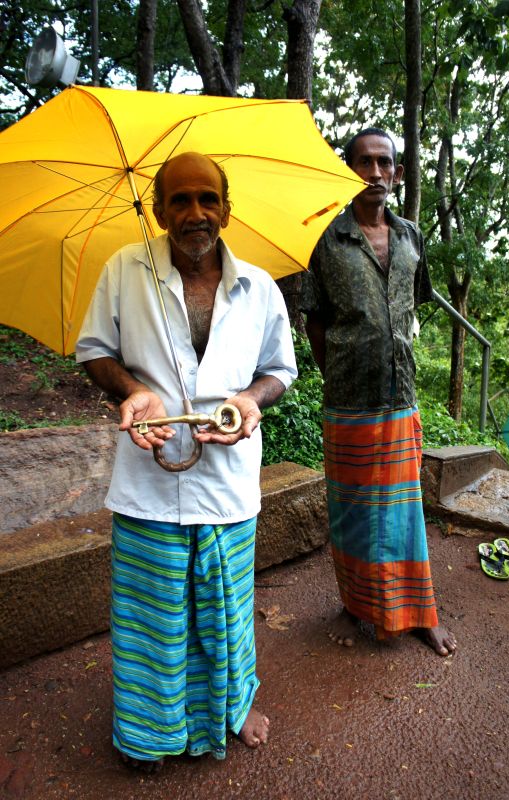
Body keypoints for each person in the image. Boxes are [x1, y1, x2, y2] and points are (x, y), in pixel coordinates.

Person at [76, 152, 297, 770]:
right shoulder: (124, 271)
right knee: (152, 616)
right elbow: (94, 351)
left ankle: (233, 706)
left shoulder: (259, 288)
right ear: (158, 210)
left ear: (226, 209)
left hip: (229, 482)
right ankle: (150, 732)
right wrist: (133, 391)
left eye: (207, 198)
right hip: (148, 479)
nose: (195, 212)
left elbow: (280, 370)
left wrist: (250, 401)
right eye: (180, 200)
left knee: (228, 607)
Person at [301, 128, 457, 657]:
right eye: (364, 162)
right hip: (348, 401)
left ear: (397, 172)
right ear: (348, 169)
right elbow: (315, 319)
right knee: (351, 512)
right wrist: (338, 370)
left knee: (404, 511)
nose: (374, 172)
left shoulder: (411, 237)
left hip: (400, 397)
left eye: (384, 163)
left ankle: (420, 613)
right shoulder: (326, 238)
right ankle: (354, 606)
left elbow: (412, 304)